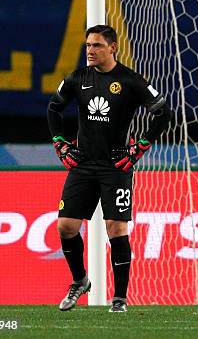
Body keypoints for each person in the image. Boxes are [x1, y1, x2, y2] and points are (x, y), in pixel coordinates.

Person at [47, 25, 172, 313]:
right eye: (88, 45)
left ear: (112, 48)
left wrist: (140, 147)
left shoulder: (130, 81)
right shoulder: (77, 79)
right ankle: (79, 281)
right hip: (83, 163)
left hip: (116, 165)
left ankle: (120, 299)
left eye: (97, 46)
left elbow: (163, 112)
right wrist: (60, 143)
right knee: (65, 227)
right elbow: (53, 108)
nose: (90, 51)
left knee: (116, 228)